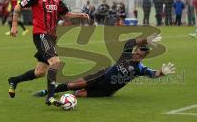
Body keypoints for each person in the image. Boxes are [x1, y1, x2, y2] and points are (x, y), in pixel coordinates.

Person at [7, 0, 89, 107]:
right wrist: (14, 26)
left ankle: (14, 81)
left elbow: (66, 14)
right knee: (55, 62)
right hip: (41, 35)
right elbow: (18, 6)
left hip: (51, 38)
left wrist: (80, 15)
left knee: (39, 72)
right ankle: (50, 97)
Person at [33, 34, 176, 98]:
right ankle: (49, 91)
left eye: (142, 55)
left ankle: (65, 97)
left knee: (78, 94)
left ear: (144, 56)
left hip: (106, 91)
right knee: (73, 85)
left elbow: (153, 74)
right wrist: (146, 40)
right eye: (139, 52)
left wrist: (162, 72)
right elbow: (129, 43)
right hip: (99, 76)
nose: (139, 55)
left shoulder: (140, 69)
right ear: (136, 51)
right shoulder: (126, 55)